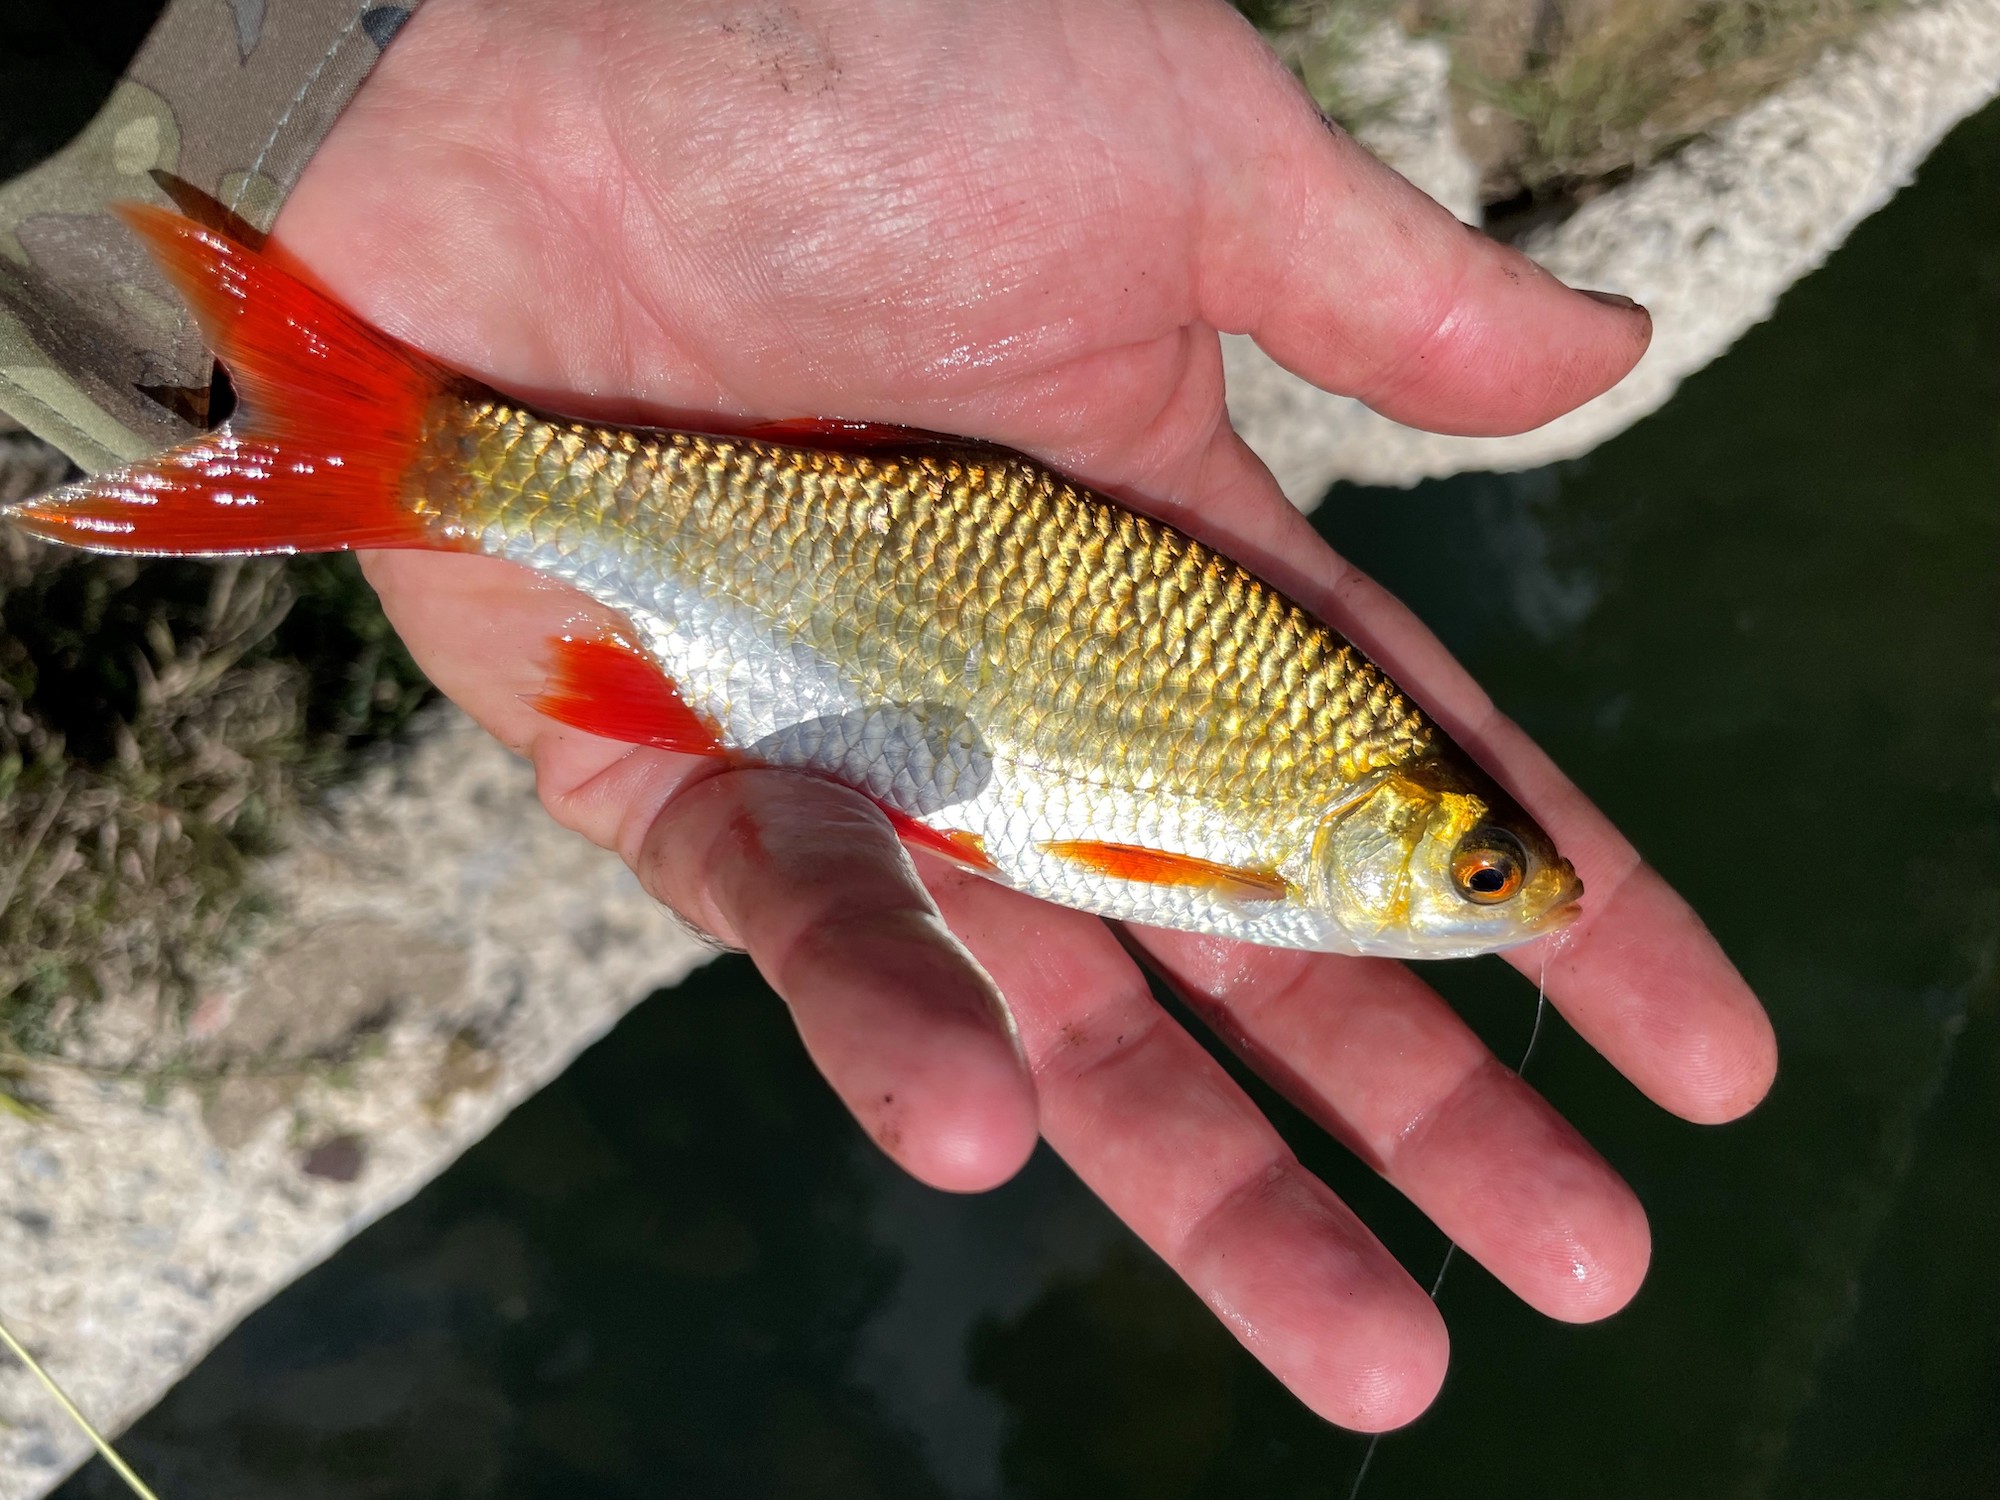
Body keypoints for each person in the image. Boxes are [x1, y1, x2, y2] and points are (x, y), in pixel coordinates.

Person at [1, 0, 1776, 1433]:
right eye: (1476, 870)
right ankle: (357, 415)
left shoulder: (1312, 788)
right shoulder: (1280, 823)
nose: (1502, 892)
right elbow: (1050, 841)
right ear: (1385, 825)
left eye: (1479, 880)